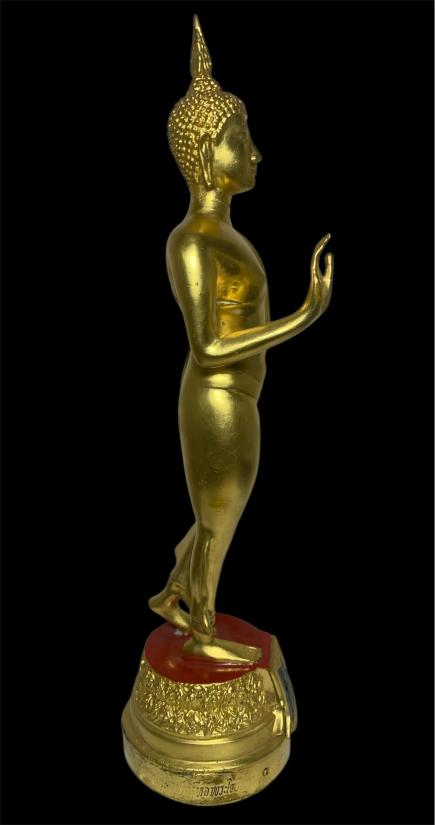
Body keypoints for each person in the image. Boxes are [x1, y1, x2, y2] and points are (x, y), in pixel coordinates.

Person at [149, 15, 333, 663]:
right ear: (205, 155)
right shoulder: (190, 242)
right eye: (240, 139)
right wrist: (304, 315)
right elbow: (208, 349)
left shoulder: (226, 236)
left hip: (238, 399)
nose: (254, 152)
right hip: (217, 399)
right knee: (219, 519)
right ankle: (201, 629)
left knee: (215, 514)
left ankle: (173, 594)